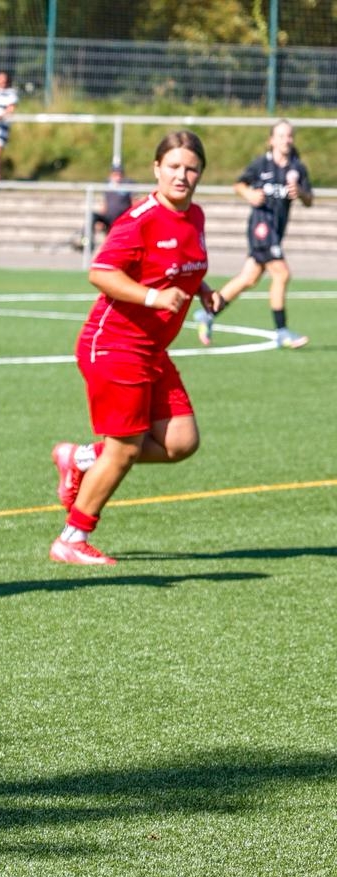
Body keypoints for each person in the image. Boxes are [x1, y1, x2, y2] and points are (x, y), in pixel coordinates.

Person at [49, 130, 223, 566]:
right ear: (156, 169)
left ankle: (80, 457)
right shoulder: (139, 219)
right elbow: (101, 272)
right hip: (115, 345)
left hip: (152, 350)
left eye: (191, 169)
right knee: (124, 449)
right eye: (173, 167)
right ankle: (71, 538)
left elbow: (180, 265)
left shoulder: (195, 216)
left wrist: (202, 290)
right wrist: (152, 297)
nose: (182, 176)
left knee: (181, 441)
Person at [194, 119, 314, 350]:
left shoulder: (297, 168)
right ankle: (281, 331)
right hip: (261, 227)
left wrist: (299, 192)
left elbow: (309, 200)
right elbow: (239, 184)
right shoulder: (261, 165)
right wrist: (249, 194)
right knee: (282, 273)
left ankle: (208, 314)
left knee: (249, 278)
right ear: (271, 140)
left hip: (277, 231)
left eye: (289, 136)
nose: (286, 140)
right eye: (281, 136)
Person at [86, 161, 133, 248]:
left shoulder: (127, 185)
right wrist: (100, 220)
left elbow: (134, 201)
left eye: (119, 174)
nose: (117, 177)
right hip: (109, 218)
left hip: (122, 218)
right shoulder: (108, 186)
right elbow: (105, 203)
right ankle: (88, 241)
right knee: (92, 216)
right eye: (115, 174)